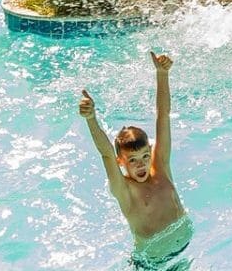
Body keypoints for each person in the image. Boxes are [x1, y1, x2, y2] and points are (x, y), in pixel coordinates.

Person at [80, 52, 190, 270]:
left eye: (145, 157)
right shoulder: (125, 190)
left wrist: (162, 74)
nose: (141, 165)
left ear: (151, 151)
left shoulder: (162, 169)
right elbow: (106, 153)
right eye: (133, 160)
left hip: (183, 255)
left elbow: (163, 115)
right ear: (121, 161)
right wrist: (91, 119)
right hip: (151, 265)